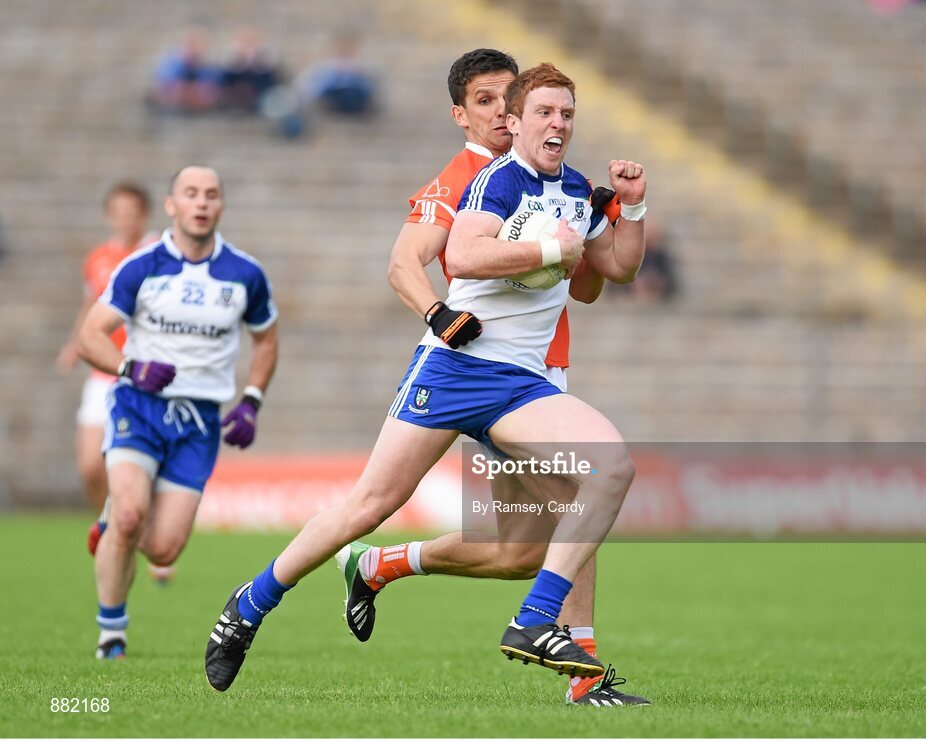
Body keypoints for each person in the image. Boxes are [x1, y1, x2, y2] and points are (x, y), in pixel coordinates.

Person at [204, 63, 647, 696]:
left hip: (525, 385)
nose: (556, 123)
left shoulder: (576, 188)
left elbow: (615, 272)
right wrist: (544, 256)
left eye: (566, 114)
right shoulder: (492, 180)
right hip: (456, 370)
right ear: (511, 123)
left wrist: (633, 208)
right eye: (542, 112)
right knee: (370, 505)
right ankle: (248, 605)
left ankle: (536, 622)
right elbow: (459, 256)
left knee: (596, 482)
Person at [332, 48, 648, 707]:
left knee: (517, 553)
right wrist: (440, 314)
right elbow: (409, 261)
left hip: (539, 370)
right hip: (474, 371)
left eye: (515, 101)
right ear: (465, 114)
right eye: (489, 101)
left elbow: (589, 285)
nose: (506, 114)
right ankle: (582, 673)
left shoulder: (555, 180)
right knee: (580, 495)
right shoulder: (464, 182)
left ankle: (378, 563)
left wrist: (609, 218)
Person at [79, 166, 279, 659]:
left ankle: (112, 526)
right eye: (190, 194)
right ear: (172, 206)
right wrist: (131, 367)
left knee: (164, 549)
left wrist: (251, 399)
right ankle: (111, 635)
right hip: (140, 408)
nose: (201, 202)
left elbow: (267, 338)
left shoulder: (244, 273)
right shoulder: (141, 266)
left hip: (198, 423)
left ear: (220, 206)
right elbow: (90, 336)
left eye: (211, 194)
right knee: (130, 514)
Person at [57, 182, 155, 515]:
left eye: (132, 213)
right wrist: (75, 342)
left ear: (144, 214)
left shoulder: (157, 254)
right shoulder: (99, 258)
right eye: (119, 213)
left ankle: (145, 529)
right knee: (89, 465)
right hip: (104, 371)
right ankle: (108, 522)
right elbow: (90, 305)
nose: (126, 220)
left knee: (141, 467)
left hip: (145, 375)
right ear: (109, 216)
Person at [151, 28, 223, 114]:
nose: (194, 48)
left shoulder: (209, 69)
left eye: (197, 44)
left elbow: (212, 90)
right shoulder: (171, 65)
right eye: (191, 44)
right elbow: (169, 89)